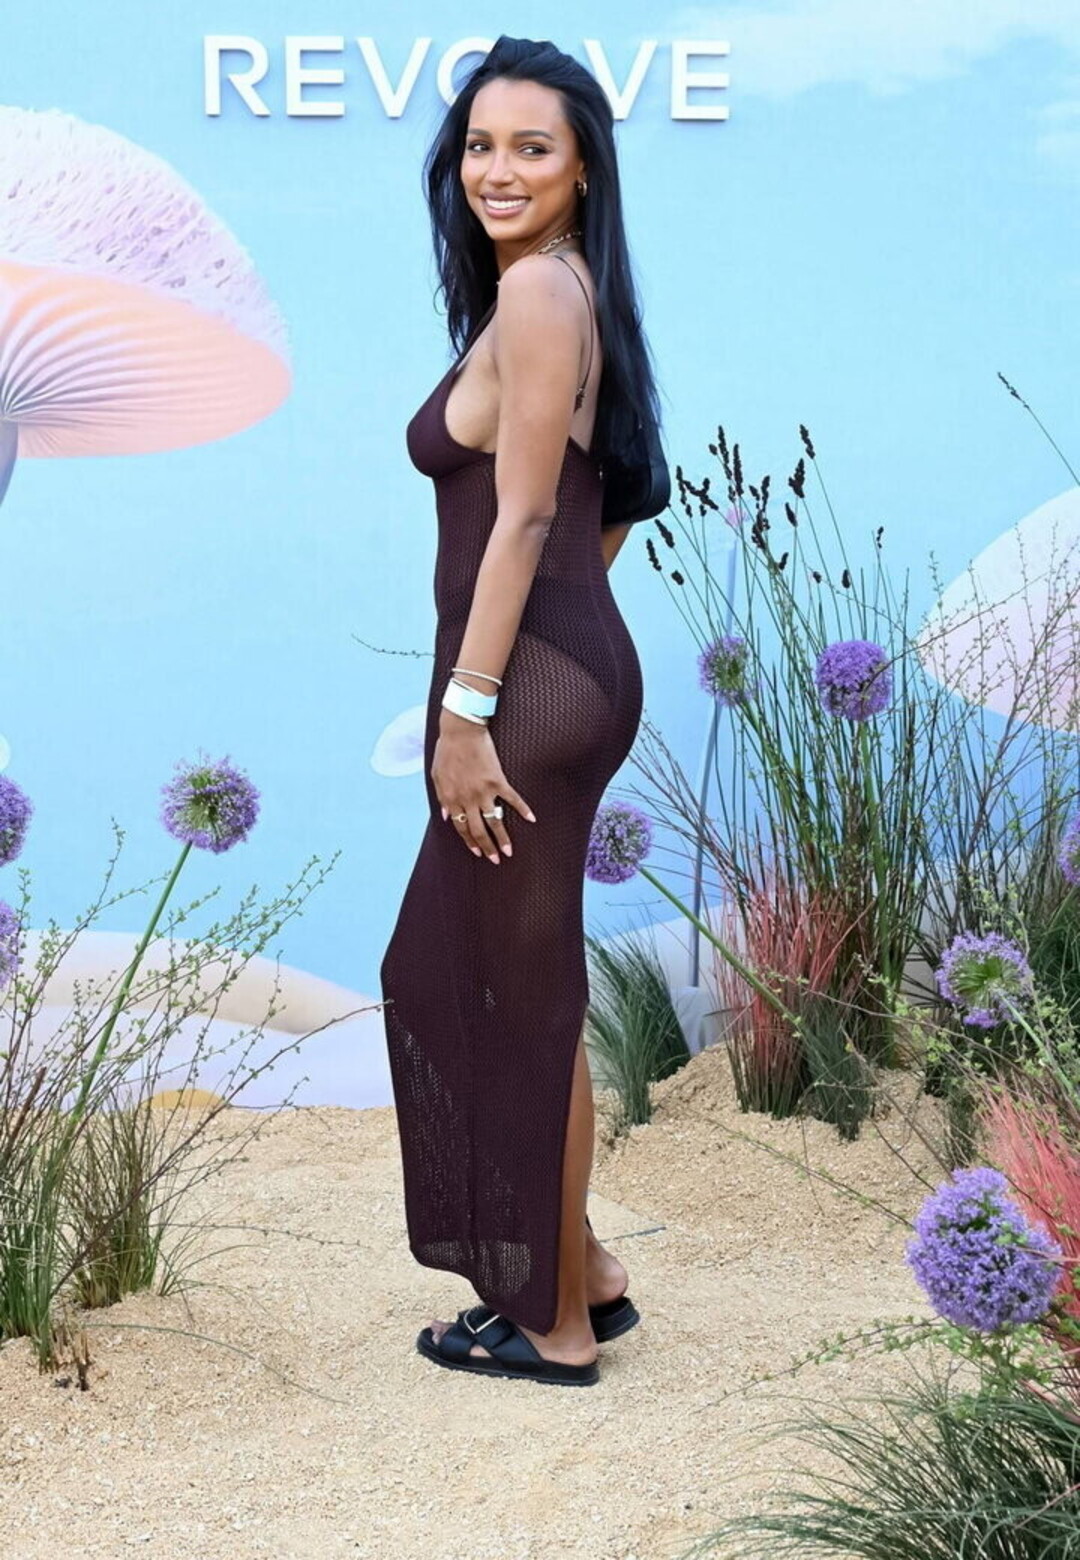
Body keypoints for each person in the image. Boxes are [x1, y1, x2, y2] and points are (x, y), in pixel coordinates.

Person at [379, 34, 665, 1387]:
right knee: (511, 983)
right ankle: (581, 1271)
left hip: (525, 701)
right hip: (552, 679)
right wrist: (552, 647)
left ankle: (553, 1327)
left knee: (501, 992)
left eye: (531, 147)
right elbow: (605, 508)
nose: (499, 169)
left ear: (584, 168)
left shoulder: (545, 292)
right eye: (480, 145)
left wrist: (469, 712)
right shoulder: (553, 290)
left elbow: (533, 517)